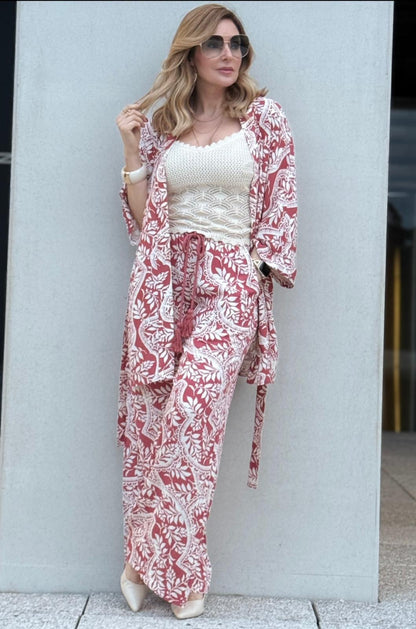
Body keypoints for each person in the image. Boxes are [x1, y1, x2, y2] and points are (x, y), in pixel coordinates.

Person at [115, 2, 297, 620]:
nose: (228, 54)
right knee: (161, 425)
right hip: (164, 286)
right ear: (190, 53)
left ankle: (148, 563)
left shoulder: (264, 118)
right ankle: (169, 569)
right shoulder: (162, 125)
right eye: (215, 43)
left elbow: (282, 203)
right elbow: (145, 223)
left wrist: (255, 271)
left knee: (193, 417)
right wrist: (131, 148)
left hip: (229, 283)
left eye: (237, 43)